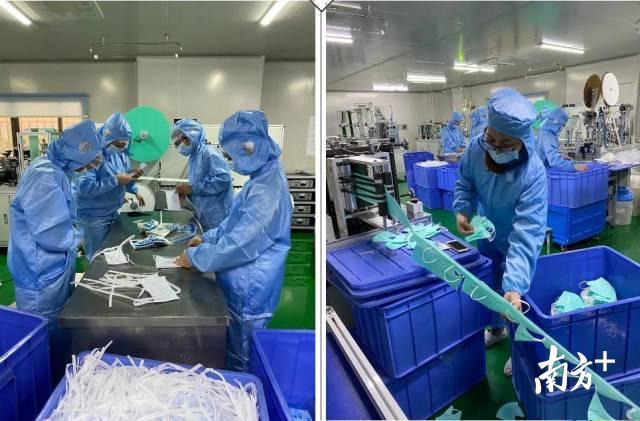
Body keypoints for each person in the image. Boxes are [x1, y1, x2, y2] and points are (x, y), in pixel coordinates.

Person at [175, 110, 292, 371]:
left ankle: (245, 391)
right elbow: (233, 222)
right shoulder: (259, 179)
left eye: (230, 156)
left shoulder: (267, 190)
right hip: (241, 281)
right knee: (234, 347)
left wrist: (196, 257)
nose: (230, 163)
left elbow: (241, 243)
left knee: (243, 357)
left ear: (249, 148)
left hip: (250, 287)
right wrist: (207, 237)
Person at [453, 88, 547, 377]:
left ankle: (519, 352)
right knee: (490, 285)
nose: (494, 147)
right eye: (491, 138)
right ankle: (496, 330)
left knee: (515, 299)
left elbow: (527, 232)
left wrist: (515, 284)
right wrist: (463, 209)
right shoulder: (477, 148)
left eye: (505, 144)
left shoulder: (533, 173)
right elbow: (466, 180)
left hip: (516, 243)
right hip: (488, 234)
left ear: (521, 141)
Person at [8, 119, 103, 380]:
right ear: (76, 152)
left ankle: (60, 375)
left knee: (58, 331)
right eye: (86, 162)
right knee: (44, 341)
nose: (86, 169)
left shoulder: (57, 170)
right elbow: (51, 233)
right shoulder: (44, 176)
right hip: (40, 274)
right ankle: (49, 388)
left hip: (52, 269)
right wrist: (78, 239)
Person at [74, 112, 145, 260]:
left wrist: (133, 187)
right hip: (93, 217)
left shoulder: (121, 154)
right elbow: (85, 189)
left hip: (112, 212)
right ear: (107, 138)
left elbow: (123, 175)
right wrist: (116, 180)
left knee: (111, 257)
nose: (121, 148)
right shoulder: (90, 154)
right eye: (118, 145)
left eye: (124, 145)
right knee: (96, 259)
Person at [171, 119, 233, 231]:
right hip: (204, 215)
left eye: (179, 143)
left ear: (191, 136)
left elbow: (223, 180)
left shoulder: (209, 153)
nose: (179, 148)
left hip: (217, 216)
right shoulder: (194, 158)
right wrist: (187, 193)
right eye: (176, 145)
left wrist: (192, 188)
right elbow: (198, 186)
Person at [536, 107, 587, 172]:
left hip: (543, 168)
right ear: (556, 122)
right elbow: (554, 160)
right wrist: (573, 166)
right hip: (541, 171)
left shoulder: (547, 132)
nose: (561, 128)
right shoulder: (547, 134)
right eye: (561, 125)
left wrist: (561, 156)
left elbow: (546, 152)